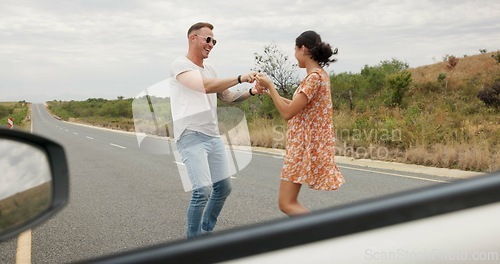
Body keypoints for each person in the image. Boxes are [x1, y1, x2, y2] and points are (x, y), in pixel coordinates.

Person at [169, 22, 261, 239]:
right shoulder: (180, 65)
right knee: (202, 191)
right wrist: (240, 77)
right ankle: (193, 243)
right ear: (193, 38)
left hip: (212, 136)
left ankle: (206, 231)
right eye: (207, 39)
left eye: (214, 41)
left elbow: (228, 98)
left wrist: (252, 91)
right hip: (190, 135)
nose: (211, 44)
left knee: (224, 188)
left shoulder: (211, 70)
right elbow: (204, 86)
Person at [256, 30, 345, 216]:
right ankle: (320, 234)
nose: (295, 55)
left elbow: (288, 113)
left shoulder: (313, 78)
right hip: (307, 143)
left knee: (286, 203)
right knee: (288, 202)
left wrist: (271, 85)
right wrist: (270, 93)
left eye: (295, 50)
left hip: (304, 146)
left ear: (303, 49)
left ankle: (323, 233)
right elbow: (299, 108)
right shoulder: (320, 75)